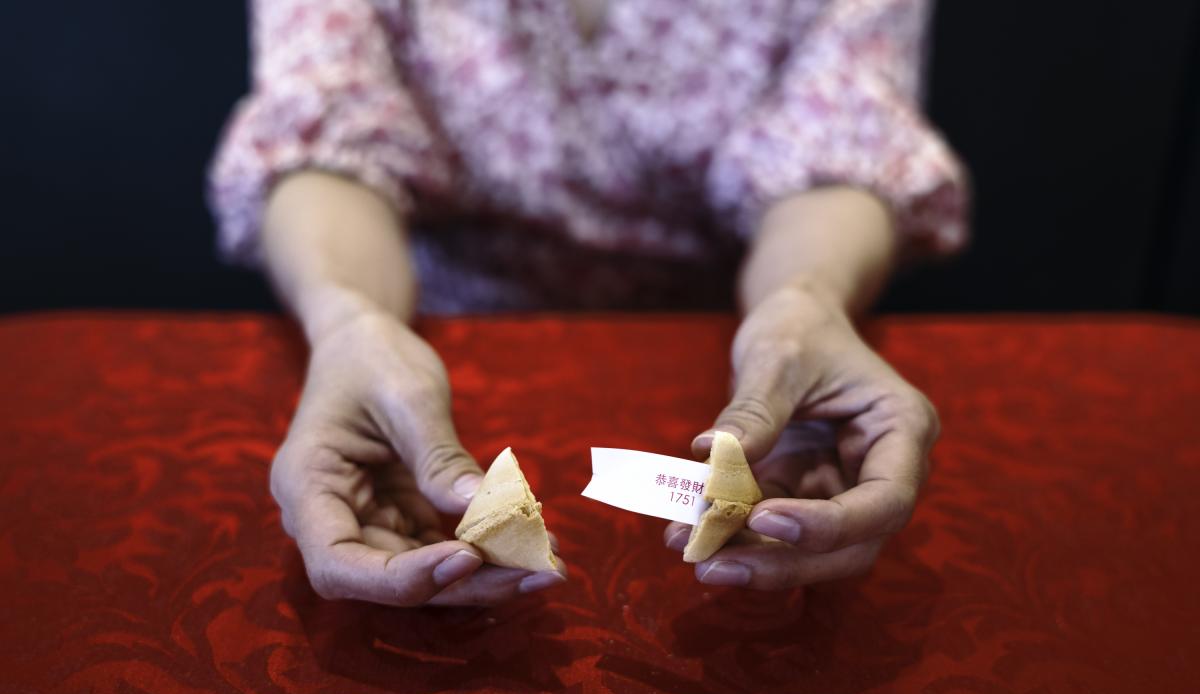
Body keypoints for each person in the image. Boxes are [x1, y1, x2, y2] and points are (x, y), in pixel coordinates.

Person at [209, 0, 968, 607]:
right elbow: (326, 140)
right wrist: (348, 322)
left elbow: (836, 147)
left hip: (730, 355)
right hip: (431, 354)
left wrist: (809, 300)